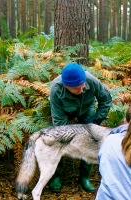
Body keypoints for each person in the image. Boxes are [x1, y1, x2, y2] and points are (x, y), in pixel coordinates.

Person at [49, 62, 112, 192]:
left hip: (86, 109)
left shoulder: (91, 80)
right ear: (66, 86)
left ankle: (84, 177)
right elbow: (59, 122)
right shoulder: (56, 89)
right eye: (77, 88)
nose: (82, 89)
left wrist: (96, 120)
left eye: (83, 86)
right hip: (64, 111)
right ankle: (55, 176)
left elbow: (106, 99)